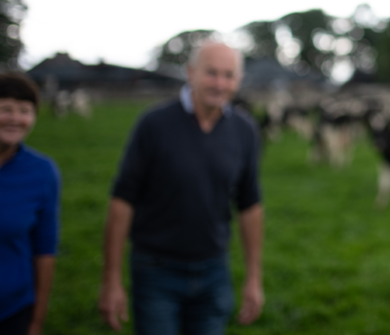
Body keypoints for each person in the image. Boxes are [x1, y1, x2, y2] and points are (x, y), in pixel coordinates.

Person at [97, 41, 264, 334]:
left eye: (229, 75)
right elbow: (123, 198)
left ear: (238, 80)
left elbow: (249, 204)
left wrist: (253, 277)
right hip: (157, 270)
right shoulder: (154, 124)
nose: (220, 83)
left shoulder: (245, 130)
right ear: (191, 73)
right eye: (211, 73)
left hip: (214, 270)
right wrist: (111, 280)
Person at [0, 74, 59, 335]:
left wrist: (36, 321)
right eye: (5, 109)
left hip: (13, 310)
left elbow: (44, 249)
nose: (15, 118)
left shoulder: (42, 172)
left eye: (25, 111)